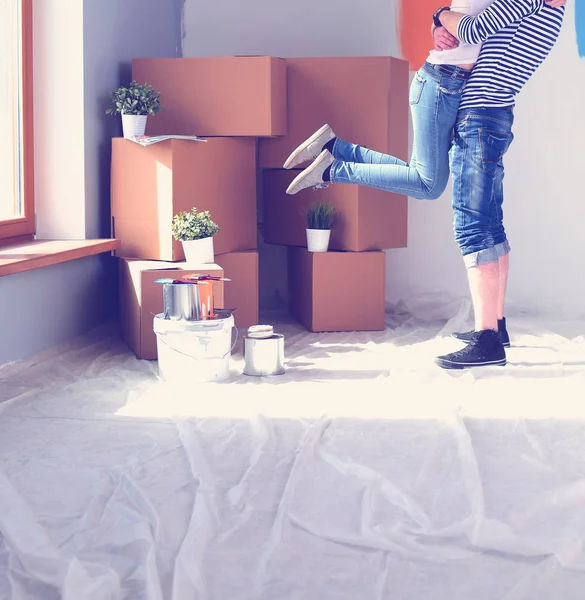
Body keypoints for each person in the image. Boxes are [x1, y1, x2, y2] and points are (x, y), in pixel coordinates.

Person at [431, 0, 566, 369]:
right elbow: (476, 30)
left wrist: (441, 13)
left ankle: (487, 339)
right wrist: (443, 24)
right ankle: (497, 325)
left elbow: (472, 30)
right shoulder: (553, 10)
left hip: (479, 117)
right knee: (490, 223)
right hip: (493, 115)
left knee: (474, 228)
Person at [283, 1, 494, 198]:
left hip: (444, 83)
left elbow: (462, 19)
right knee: (429, 186)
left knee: (420, 177)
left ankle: (333, 146)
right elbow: (472, 30)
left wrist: (438, 20)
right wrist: (439, 18)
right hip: (441, 83)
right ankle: (332, 169)